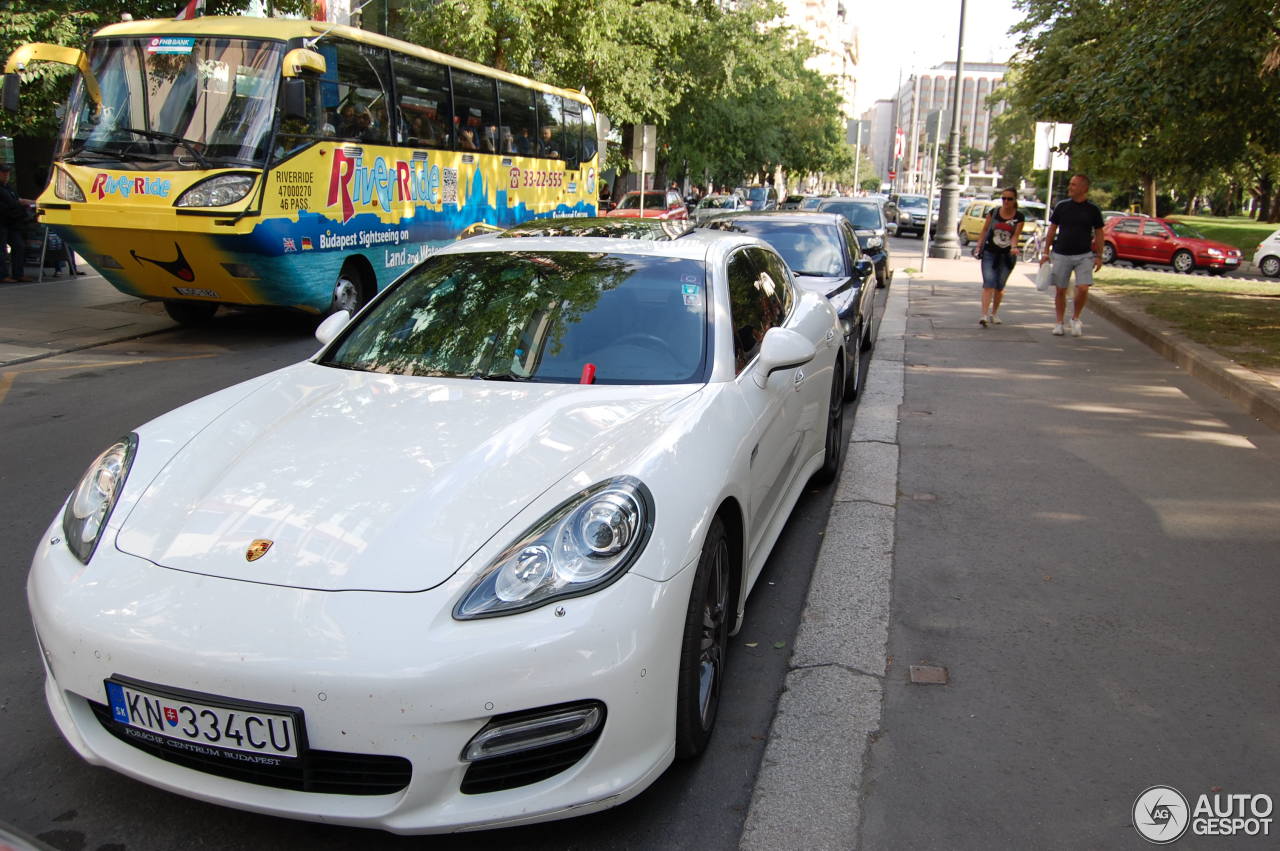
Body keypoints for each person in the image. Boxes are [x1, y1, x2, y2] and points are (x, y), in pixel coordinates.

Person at [1040, 173, 1105, 337]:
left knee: (1083, 287)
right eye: (1070, 184)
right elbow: (1052, 229)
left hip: (1084, 255)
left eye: (1074, 185)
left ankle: (1076, 318)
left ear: (1084, 188)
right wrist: (1045, 252)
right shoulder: (1062, 206)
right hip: (1062, 253)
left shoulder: (1093, 210)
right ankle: (1059, 322)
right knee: (1060, 290)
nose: (1070, 187)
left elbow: (1099, 233)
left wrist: (1099, 255)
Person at [973, 189, 1025, 327]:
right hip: (990, 252)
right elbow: (985, 230)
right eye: (1004, 198)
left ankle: (994, 313)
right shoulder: (994, 212)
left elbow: (1015, 235)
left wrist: (1014, 247)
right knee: (988, 283)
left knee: (1000, 286)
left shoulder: (1019, 217)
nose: (1006, 202)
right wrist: (979, 246)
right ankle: (983, 315)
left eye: (1009, 199)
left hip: (1007, 255)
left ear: (1015, 200)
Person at [0, 163, 34, 283]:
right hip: (2, 222)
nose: (6, 175)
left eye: (7, 173)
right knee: (2, 249)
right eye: (4, 173)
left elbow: (17, 200)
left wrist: (33, 202)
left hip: (11, 222)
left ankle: (18, 274)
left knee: (19, 245)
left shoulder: (8, 187)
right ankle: (3, 275)